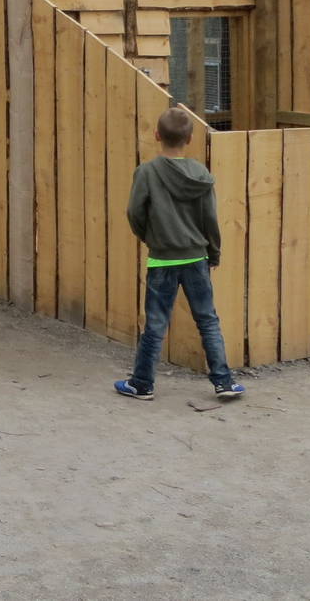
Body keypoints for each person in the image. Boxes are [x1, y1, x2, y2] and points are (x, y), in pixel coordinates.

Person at [114, 106, 244, 402]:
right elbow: (210, 219)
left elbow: (134, 213)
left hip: (162, 260)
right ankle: (224, 382)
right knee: (208, 320)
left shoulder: (146, 173)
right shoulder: (201, 174)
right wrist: (214, 252)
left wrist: (151, 237)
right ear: (189, 138)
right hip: (196, 258)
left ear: (157, 135)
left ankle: (142, 384)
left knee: (156, 323)